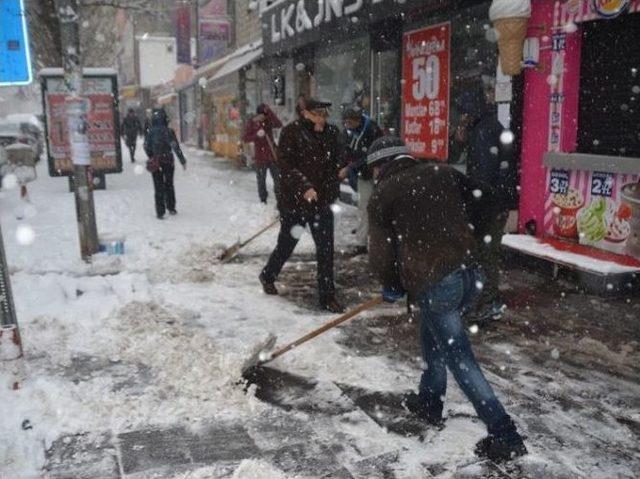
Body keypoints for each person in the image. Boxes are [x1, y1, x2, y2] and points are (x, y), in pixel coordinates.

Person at [366, 136, 527, 463]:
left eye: (374, 169)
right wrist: (473, 243)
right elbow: (487, 202)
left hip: (438, 281)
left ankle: (504, 433)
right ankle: (429, 401)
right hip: (471, 274)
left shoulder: (383, 195)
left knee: (458, 355)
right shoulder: (442, 172)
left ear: (381, 166)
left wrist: (392, 284)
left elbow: (381, 255)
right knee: (434, 331)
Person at [259, 98, 345, 313]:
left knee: (326, 249)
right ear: (305, 113)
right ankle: (268, 274)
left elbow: (337, 160)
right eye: (318, 114)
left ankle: (327, 296)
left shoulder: (332, 133)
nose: (323, 119)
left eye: (325, 115)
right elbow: (286, 166)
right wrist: (304, 186)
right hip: (295, 202)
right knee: (287, 244)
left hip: (322, 201)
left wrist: (341, 171)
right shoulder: (291, 132)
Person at [455, 80, 514, 320]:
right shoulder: (484, 126)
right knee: (482, 253)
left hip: (491, 205)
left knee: (484, 254)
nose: (463, 117)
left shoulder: (484, 131)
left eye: (465, 112)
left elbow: (484, 176)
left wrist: (474, 205)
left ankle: (488, 303)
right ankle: (482, 300)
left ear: (473, 109)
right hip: (494, 203)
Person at [339, 106, 383, 254]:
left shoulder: (372, 131)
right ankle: (366, 234)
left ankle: (362, 243)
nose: (347, 126)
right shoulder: (350, 132)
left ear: (358, 120)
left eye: (349, 122)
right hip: (358, 175)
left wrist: (351, 167)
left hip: (372, 174)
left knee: (365, 208)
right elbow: (346, 151)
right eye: (345, 123)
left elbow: (372, 156)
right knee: (364, 206)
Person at [144, 108, 187, 219]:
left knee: (158, 187)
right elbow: (175, 147)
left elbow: (146, 146)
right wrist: (182, 160)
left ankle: (160, 211)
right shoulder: (169, 131)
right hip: (168, 161)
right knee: (169, 184)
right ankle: (171, 207)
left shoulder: (151, 132)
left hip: (156, 162)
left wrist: (151, 155)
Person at [242, 104, 283, 204]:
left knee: (278, 179)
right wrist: (256, 135)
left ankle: (280, 199)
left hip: (272, 156)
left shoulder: (268, 120)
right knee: (261, 181)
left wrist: (270, 112)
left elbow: (279, 124)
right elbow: (245, 138)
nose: (263, 117)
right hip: (260, 157)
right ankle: (263, 200)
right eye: (261, 115)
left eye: (265, 115)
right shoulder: (252, 123)